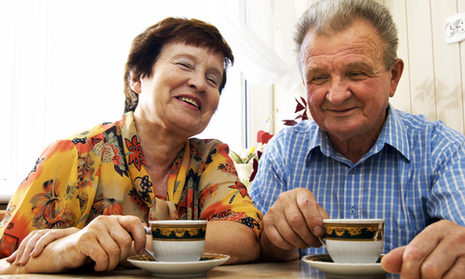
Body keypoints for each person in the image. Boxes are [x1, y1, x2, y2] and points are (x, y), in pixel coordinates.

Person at [0, 17, 262, 274]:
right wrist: (72, 246)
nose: (199, 83)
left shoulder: (210, 158)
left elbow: (246, 235)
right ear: (137, 78)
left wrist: (127, 243)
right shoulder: (72, 154)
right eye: (184, 65)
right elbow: (5, 263)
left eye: (213, 79)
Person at [250, 0, 465, 277]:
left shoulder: (442, 149)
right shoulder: (283, 152)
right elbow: (258, 250)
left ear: (393, 77)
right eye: (318, 77)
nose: (336, 95)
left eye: (356, 73)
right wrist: (276, 239)